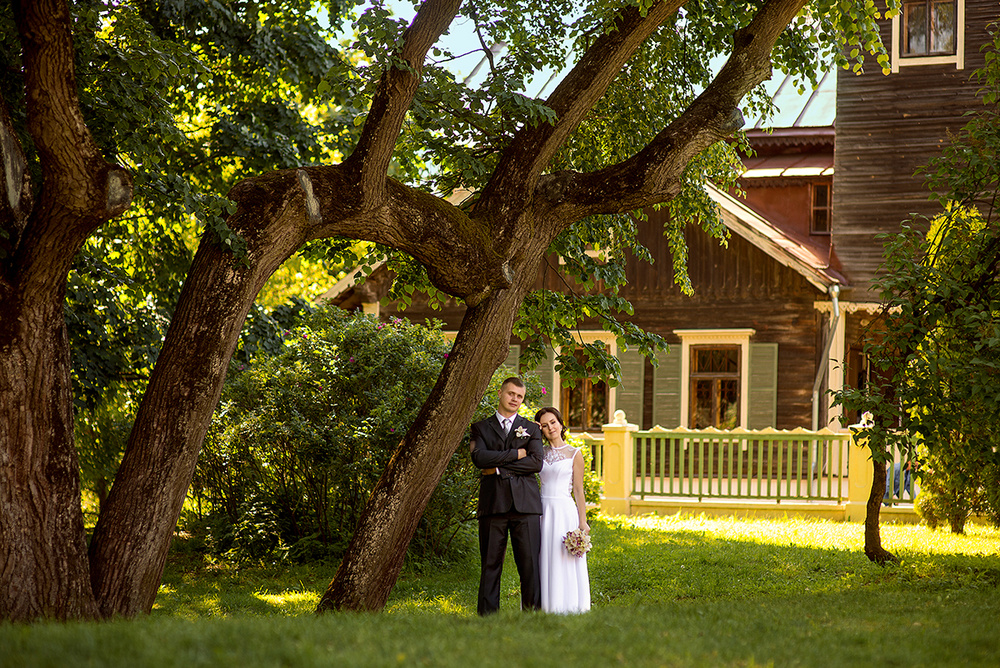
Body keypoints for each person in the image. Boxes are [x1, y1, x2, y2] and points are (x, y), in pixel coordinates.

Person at [469, 377, 544, 615]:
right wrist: (515, 453)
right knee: (490, 565)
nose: (515, 399)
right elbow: (479, 458)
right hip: (493, 504)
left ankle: (532, 613)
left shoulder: (531, 428)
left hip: (526, 506)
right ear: (500, 393)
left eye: (519, 396)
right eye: (511, 394)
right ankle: (488, 617)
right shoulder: (480, 427)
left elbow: (536, 463)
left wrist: (499, 468)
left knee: (530, 565)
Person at [534, 406, 591, 614]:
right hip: (542, 510)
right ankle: (545, 604)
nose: (550, 428)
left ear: (560, 423)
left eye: (553, 422)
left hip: (564, 510)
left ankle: (566, 604)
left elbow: (578, 490)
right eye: (545, 425)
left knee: (562, 555)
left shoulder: (574, 454)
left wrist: (582, 522)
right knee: (543, 555)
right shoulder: (538, 453)